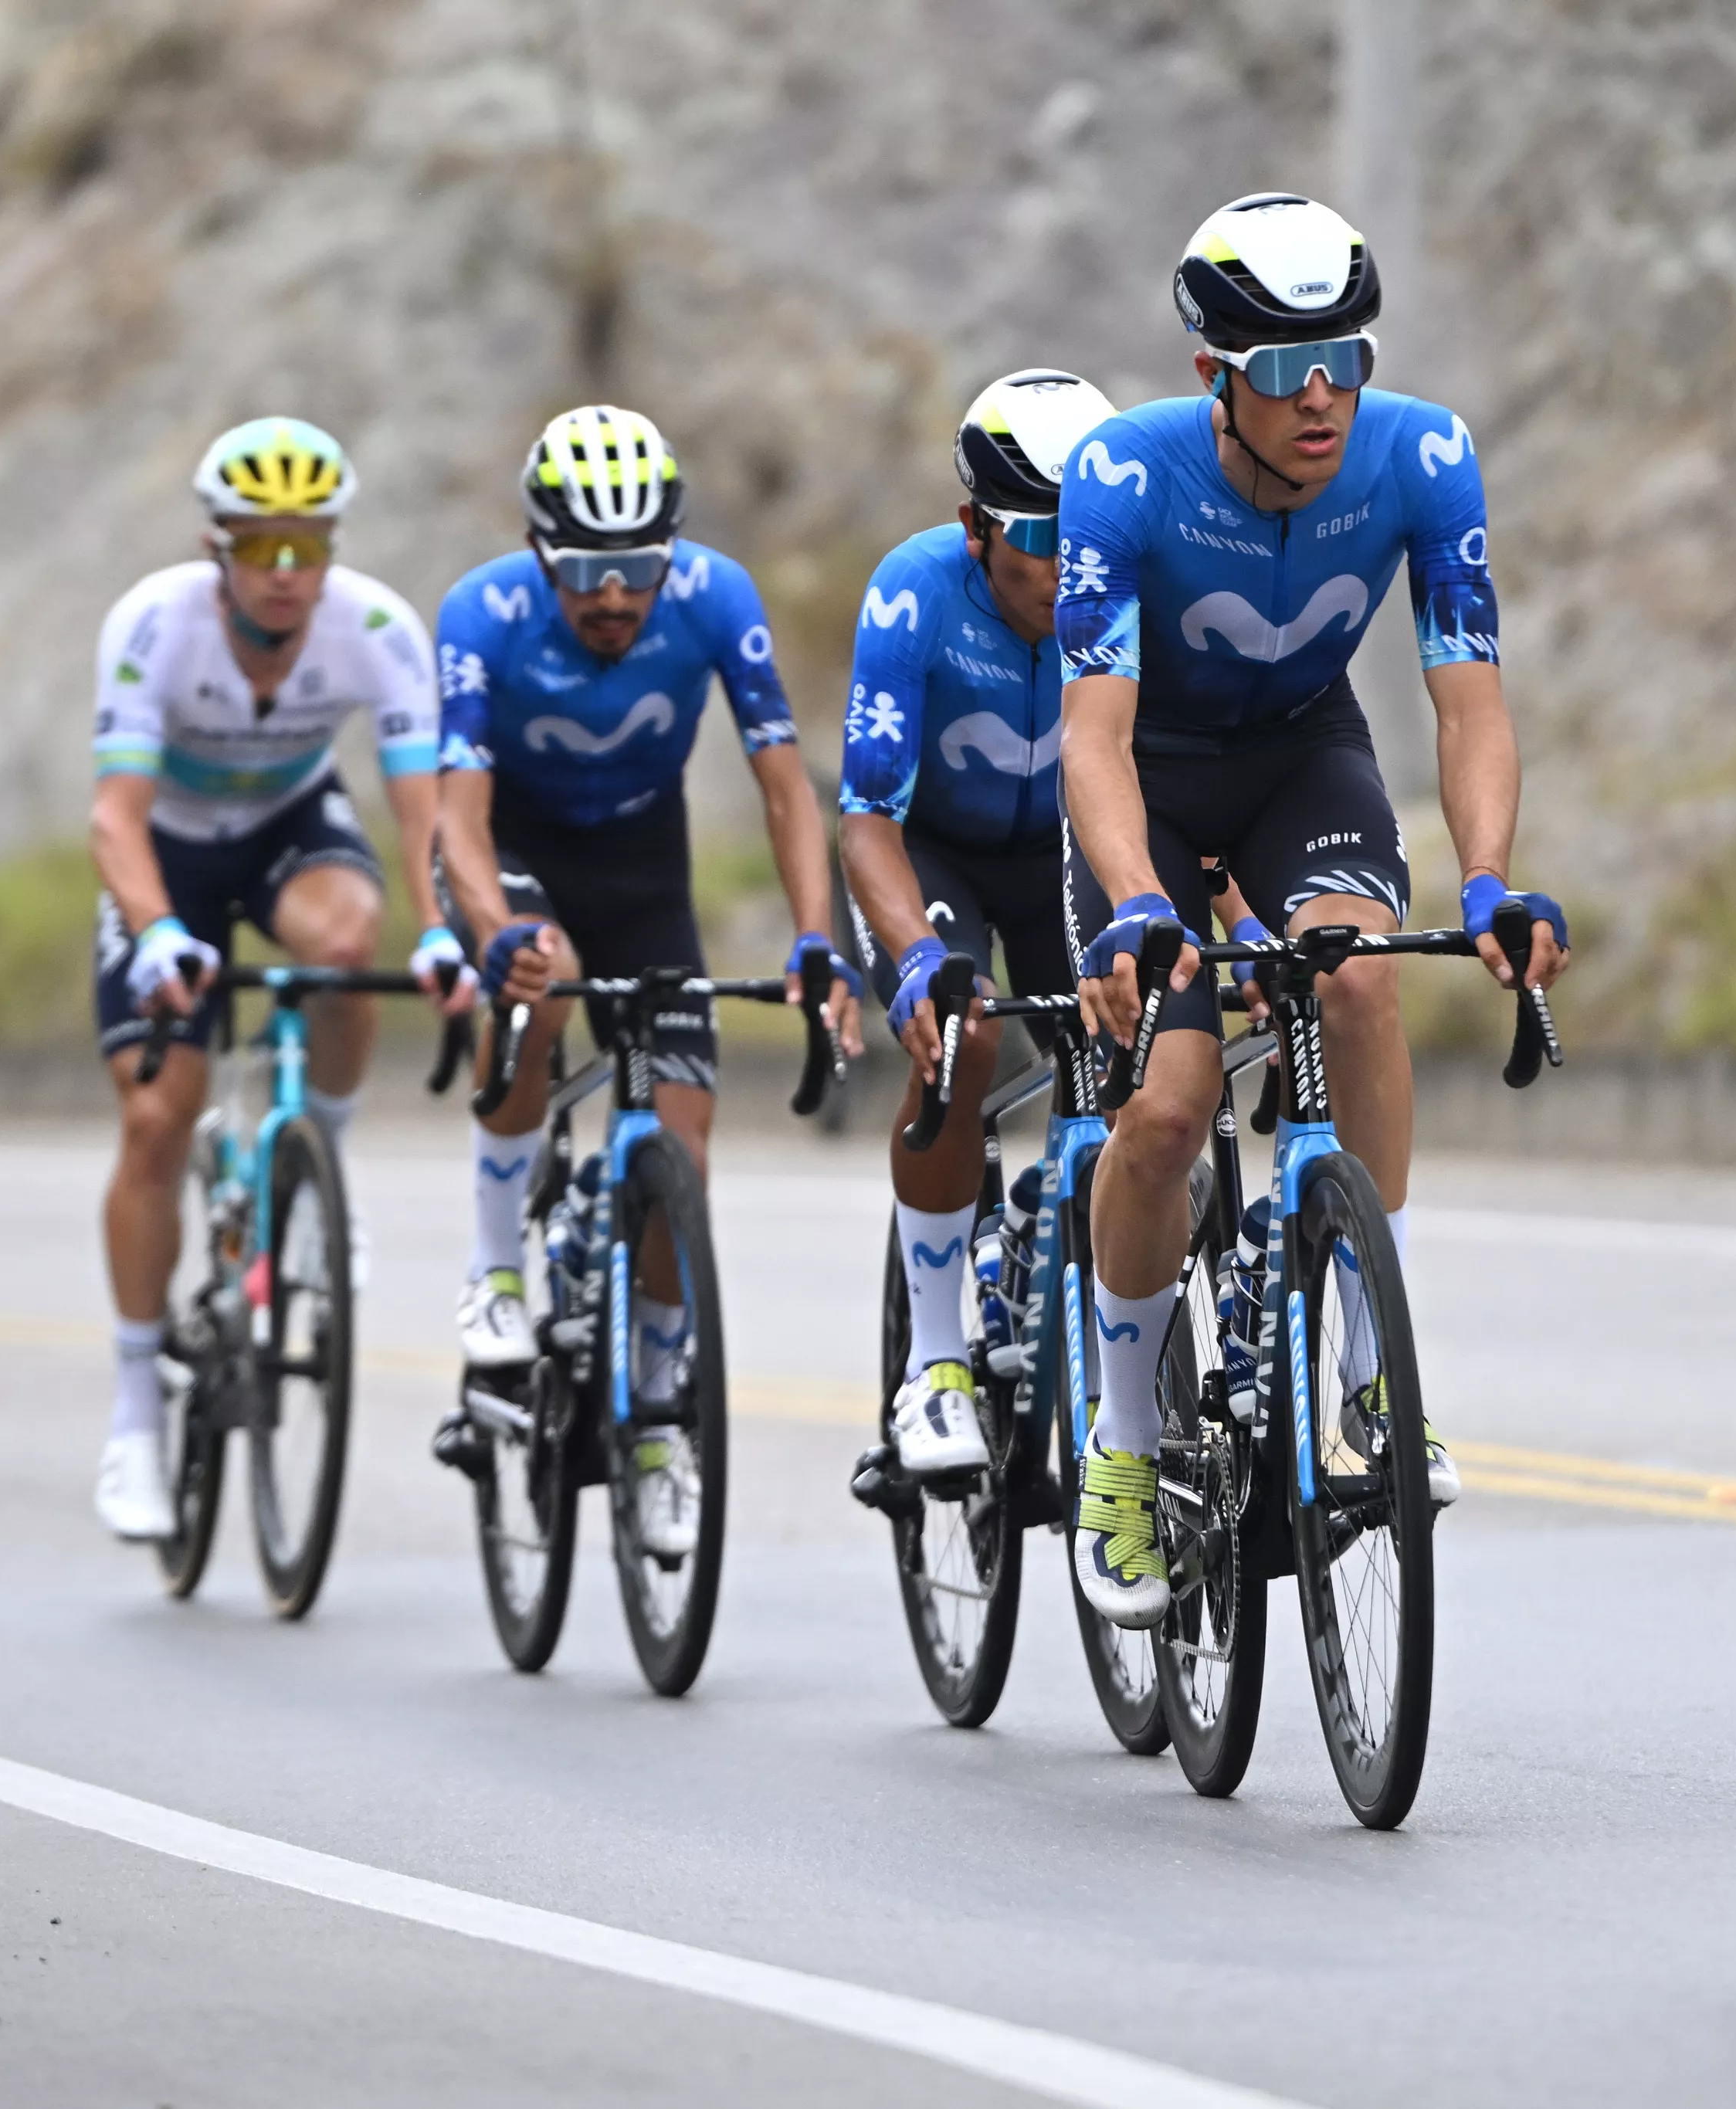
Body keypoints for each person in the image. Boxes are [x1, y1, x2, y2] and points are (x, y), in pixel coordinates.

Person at [1056, 193, 1568, 1627]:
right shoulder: (1122, 470)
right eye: (1284, 371)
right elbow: (1091, 735)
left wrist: (1485, 879)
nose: (1322, 397)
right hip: (1147, 781)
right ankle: (1125, 1445)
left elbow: (1469, 702)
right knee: (1168, 1112)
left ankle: (1365, 1370)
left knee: (1356, 978)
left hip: (1302, 759)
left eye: (1344, 359)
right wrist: (1140, 902)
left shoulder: (1425, 454)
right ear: (1215, 377)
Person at [432, 404, 863, 1557]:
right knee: (542, 981)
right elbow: (456, 819)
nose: (615, 595)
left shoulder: (716, 596)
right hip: (511, 848)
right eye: (586, 569)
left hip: (640, 862)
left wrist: (814, 939)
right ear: (540, 553)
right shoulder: (483, 612)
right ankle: (496, 1267)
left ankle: (661, 1413)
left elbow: (785, 788)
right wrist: (491, 931)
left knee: (684, 1140)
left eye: (637, 567)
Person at [88, 418, 466, 1540]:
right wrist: (156, 932)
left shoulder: (376, 626)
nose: (288, 571)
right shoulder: (153, 624)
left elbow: (424, 809)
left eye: (310, 546)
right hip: (168, 852)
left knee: (346, 941)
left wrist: (442, 929)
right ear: (217, 546)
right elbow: (114, 818)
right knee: (155, 1117)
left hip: (289, 826)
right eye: (262, 546)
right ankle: (135, 1415)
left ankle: (316, 1167)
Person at [842, 369, 1119, 1477]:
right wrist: (917, 959)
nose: (1062, 571)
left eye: (1081, 538)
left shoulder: (1132, 582)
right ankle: (935, 1364)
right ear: (975, 526)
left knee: (1138, 1048)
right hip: (933, 852)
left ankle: (1066, 1237)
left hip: (1064, 853)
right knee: (966, 1034)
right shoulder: (914, 591)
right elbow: (867, 820)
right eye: (1033, 542)